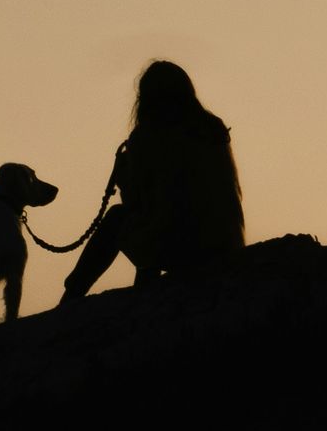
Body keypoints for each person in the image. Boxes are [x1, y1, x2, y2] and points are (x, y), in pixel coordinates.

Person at [60, 61, 244, 298]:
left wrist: (123, 176)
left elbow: (135, 201)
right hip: (227, 244)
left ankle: (72, 295)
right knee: (154, 222)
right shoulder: (212, 128)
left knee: (117, 218)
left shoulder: (149, 135)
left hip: (185, 248)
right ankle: (145, 295)